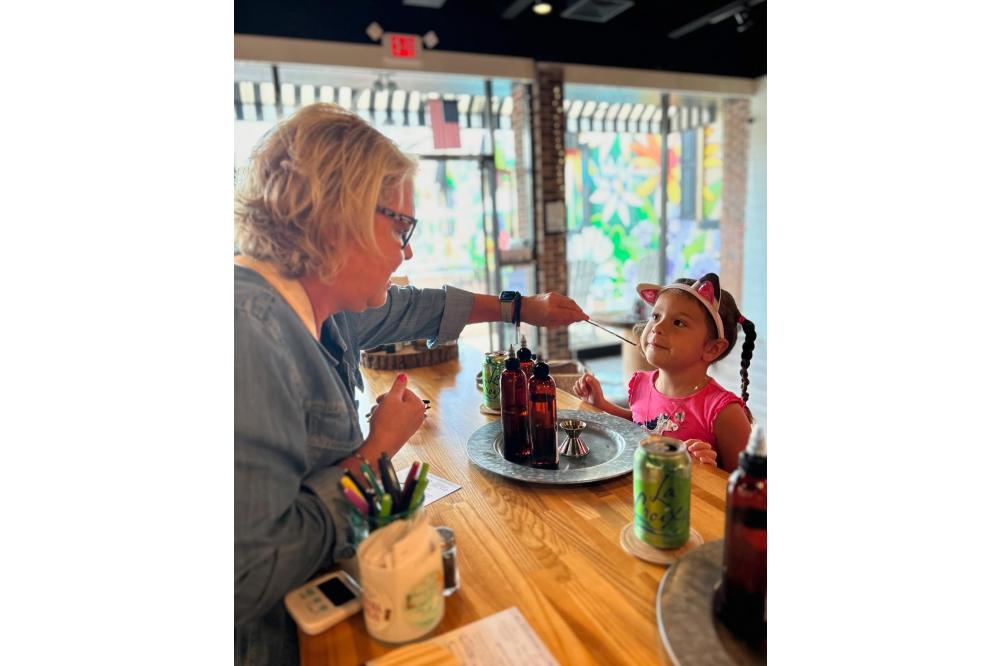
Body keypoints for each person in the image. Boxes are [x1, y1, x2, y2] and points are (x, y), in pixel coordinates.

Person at [234, 103, 587, 665]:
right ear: (337, 217)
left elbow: (414, 307)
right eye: (401, 226)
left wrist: (523, 307)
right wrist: (377, 450)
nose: (408, 250)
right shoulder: (248, 335)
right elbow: (246, 577)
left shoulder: (320, 304)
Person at [574, 273, 756, 472]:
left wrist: (707, 469)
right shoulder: (642, 383)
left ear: (712, 348)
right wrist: (601, 404)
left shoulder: (724, 412)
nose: (657, 327)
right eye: (656, 316)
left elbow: (749, 482)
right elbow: (640, 424)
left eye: (678, 322)